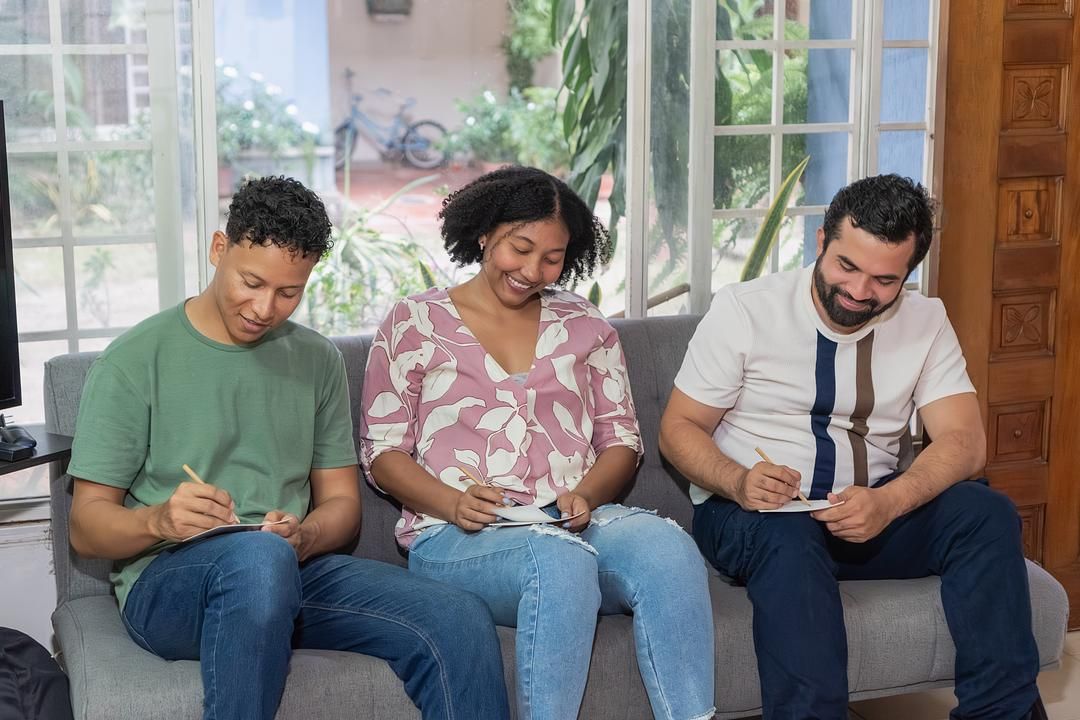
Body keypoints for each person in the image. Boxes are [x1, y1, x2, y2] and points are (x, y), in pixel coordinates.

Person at [66, 176, 510, 720]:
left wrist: (305, 537)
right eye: (251, 282)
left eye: (288, 293)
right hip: (168, 584)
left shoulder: (316, 360)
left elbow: (342, 507)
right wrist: (158, 520)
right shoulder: (134, 361)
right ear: (219, 249)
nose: (263, 308)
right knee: (258, 560)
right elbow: (85, 528)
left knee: (458, 616)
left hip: (289, 571)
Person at [659, 174, 1044, 720]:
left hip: (872, 511)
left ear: (908, 273)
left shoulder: (926, 321)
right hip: (753, 514)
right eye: (847, 266)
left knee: (986, 513)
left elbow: (965, 441)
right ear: (821, 241)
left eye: (885, 280)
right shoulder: (746, 309)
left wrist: (890, 501)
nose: (860, 291)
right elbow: (678, 428)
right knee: (788, 535)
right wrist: (738, 481)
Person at [359, 166, 716, 720]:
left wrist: (586, 495)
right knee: (559, 563)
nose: (532, 271)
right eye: (520, 248)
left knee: (668, 549)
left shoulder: (586, 324)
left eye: (552, 258)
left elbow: (621, 440)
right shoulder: (414, 321)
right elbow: (382, 452)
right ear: (484, 234)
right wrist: (451, 502)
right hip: (456, 536)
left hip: (571, 525)